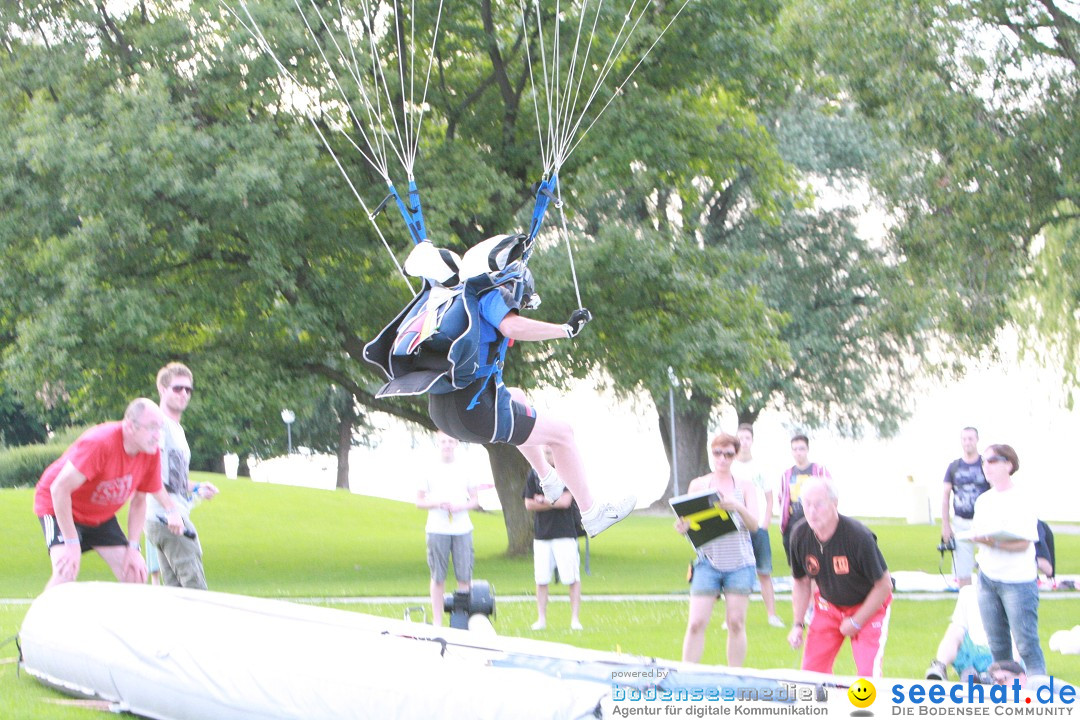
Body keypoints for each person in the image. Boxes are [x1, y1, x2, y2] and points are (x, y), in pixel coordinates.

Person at [366, 235, 635, 537]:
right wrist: (565, 330)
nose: (518, 307)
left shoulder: (449, 295)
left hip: (444, 412)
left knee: (516, 396)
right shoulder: (491, 295)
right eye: (520, 302)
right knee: (563, 434)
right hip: (476, 412)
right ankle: (592, 513)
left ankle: (548, 479)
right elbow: (512, 327)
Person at [33, 399, 185, 590]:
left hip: (99, 515)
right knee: (66, 571)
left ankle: (123, 621)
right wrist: (72, 543)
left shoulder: (150, 451)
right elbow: (59, 490)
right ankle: (40, 619)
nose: (158, 436)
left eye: (160, 428)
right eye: (152, 428)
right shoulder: (100, 443)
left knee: (134, 573)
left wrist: (133, 547)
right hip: (60, 507)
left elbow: (139, 501)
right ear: (130, 426)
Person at [787, 477, 893, 677]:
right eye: (806, 504)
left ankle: (867, 708)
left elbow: (884, 585)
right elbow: (801, 582)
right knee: (810, 676)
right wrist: (797, 624)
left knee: (867, 675)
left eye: (818, 504)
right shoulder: (799, 535)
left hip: (868, 607)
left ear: (834, 504)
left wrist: (856, 621)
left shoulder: (858, 536)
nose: (811, 511)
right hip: (828, 607)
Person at [675, 432, 759, 667]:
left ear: (735, 455)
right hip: (707, 562)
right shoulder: (699, 484)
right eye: (717, 453)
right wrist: (684, 528)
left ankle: (734, 676)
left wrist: (738, 507)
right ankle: (687, 674)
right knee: (695, 623)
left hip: (740, 563)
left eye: (728, 454)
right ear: (712, 453)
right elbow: (692, 525)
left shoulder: (745, 487)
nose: (722, 459)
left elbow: (755, 525)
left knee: (736, 622)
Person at [969, 443, 1045, 676]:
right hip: (987, 578)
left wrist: (995, 542)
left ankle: (1039, 693)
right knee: (997, 645)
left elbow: (1025, 542)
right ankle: (1004, 696)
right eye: (984, 461)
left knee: (1026, 644)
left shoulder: (1022, 498)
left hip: (1017, 581)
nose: (986, 466)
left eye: (992, 461)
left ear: (1008, 464)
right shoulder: (983, 500)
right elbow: (978, 535)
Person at [145, 363, 219, 589]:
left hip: (168, 516)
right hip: (167, 518)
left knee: (176, 594)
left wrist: (197, 488)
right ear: (162, 389)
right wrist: (170, 511)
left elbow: (172, 479)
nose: (184, 394)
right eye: (178, 388)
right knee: (196, 590)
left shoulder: (176, 428)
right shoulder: (159, 425)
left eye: (188, 390)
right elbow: (149, 473)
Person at [417, 432, 480, 626]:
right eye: (443, 441)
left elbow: (475, 500)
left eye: (451, 441)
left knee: (464, 576)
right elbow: (419, 501)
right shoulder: (429, 469)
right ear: (438, 443)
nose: (447, 445)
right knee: (438, 577)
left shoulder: (466, 468)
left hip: (462, 528)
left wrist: (462, 506)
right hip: (437, 528)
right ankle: (437, 621)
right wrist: (436, 503)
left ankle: (461, 618)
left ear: (457, 443)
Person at [523, 446, 584, 631]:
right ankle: (541, 619)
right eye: (546, 449)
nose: (549, 452)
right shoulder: (535, 474)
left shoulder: (567, 472)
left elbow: (566, 501)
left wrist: (542, 500)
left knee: (571, 577)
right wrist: (551, 502)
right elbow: (528, 503)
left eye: (551, 449)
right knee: (541, 578)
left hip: (565, 533)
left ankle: (575, 619)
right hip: (542, 535)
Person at [733, 423, 784, 628]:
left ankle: (771, 615)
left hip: (757, 527)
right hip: (736, 528)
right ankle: (733, 618)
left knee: (764, 572)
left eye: (747, 438)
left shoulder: (760, 468)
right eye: (740, 438)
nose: (744, 442)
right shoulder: (730, 467)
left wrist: (765, 522)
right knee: (735, 573)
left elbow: (770, 497)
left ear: (752, 441)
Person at [941, 426, 990, 587]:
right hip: (961, 522)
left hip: (983, 522)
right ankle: (965, 601)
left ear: (977, 440)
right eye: (964, 439)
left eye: (970, 439)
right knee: (962, 569)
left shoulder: (985, 464)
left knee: (989, 562)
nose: (967, 442)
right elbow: (946, 496)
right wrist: (946, 526)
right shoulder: (954, 467)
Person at [925, 577, 997, 682]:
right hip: (975, 649)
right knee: (955, 628)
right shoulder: (968, 593)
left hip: (1005, 655)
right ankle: (940, 666)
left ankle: (994, 676)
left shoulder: (1018, 592)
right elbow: (958, 629)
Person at [778, 434, 831, 564]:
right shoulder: (787, 475)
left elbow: (830, 494)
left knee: (817, 561)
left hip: (815, 522)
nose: (798, 453)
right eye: (795, 449)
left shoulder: (819, 471)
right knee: (795, 563)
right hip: (792, 523)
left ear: (807, 450)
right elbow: (782, 498)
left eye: (801, 449)